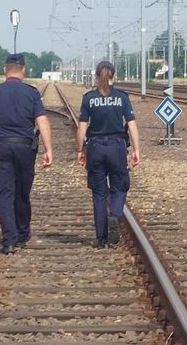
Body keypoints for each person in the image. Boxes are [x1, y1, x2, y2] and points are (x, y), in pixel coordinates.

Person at [0, 53, 53, 254]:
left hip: (1, 147)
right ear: (23, 70)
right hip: (26, 148)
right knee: (22, 192)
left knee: (5, 193)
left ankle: (9, 241)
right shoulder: (31, 93)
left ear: (4, 70)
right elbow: (42, 122)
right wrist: (48, 149)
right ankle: (23, 233)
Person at [76, 61, 140, 249]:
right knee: (120, 186)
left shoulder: (89, 98)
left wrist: (80, 150)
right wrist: (136, 150)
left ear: (97, 76)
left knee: (98, 193)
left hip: (95, 147)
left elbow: (81, 128)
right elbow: (132, 125)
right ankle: (115, 214)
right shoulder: (122, 97)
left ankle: (101, 237)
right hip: (117, 147)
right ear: (114, 75)